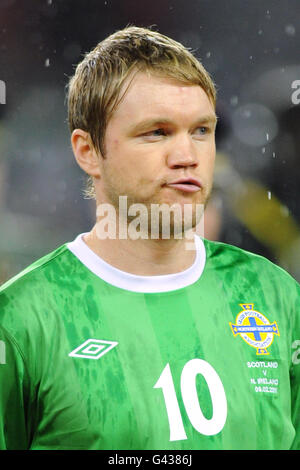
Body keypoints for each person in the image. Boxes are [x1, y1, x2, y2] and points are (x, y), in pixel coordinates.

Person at [0, 26, 299, 451]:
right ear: (88, 151)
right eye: (156, 132)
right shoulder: (21, 320)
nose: (187, 157)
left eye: (201, 131)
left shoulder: (276, 296)